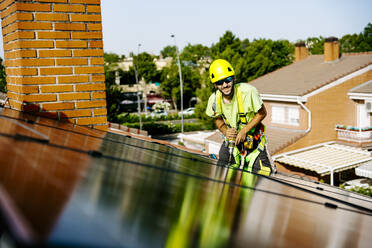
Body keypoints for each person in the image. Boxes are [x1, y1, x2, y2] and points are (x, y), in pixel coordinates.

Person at [205, 59, 275, 175]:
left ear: (233, 78)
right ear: (215, 84)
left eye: (228, 80)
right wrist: (225, 131)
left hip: (254, 142)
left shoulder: (248, 92)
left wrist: (244, 130)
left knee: (263, 177)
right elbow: (218, 120)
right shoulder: (214, 100)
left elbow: (262, 112)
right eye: (220, 83)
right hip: (232, 143)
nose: (225, 85)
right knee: (222, 173)